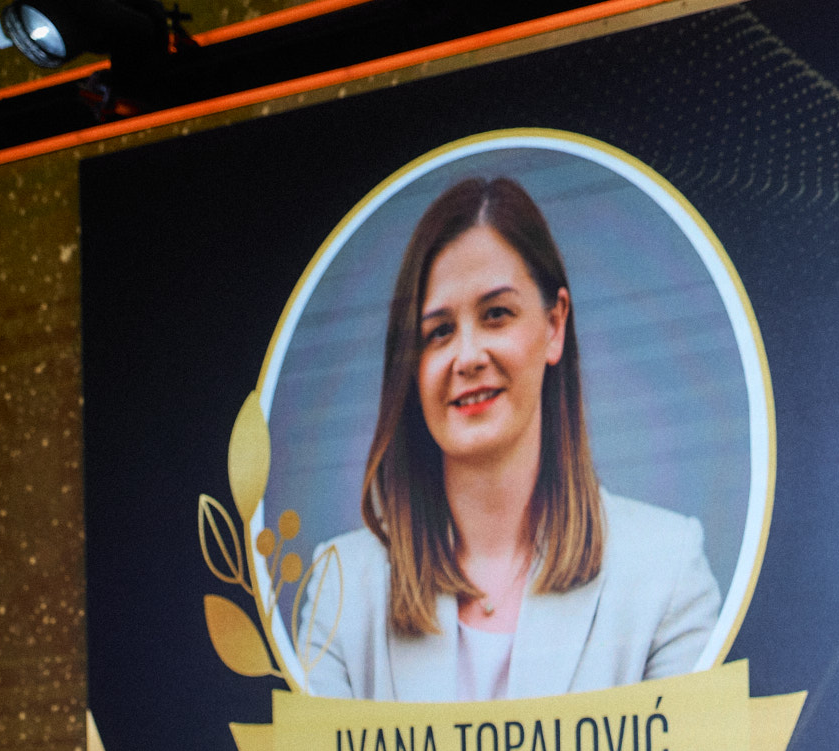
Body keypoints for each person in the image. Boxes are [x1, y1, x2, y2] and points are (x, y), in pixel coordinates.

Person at [301, 175, 722, 702]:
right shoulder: (342, 592)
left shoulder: (666, 569)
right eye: (439, 331)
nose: (468, 357)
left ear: (554, 325)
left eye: (496, 315)